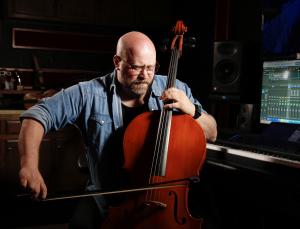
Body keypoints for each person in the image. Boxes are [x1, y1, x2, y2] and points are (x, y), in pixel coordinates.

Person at [18, 31, 217, 228]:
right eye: (136, 68)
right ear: (117, 62)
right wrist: (30, 166)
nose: (145, 76)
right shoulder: (88, 93)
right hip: (108, 200)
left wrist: (191, 110)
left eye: (150, 67)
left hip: (166, 201)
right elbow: (37, 115)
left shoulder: (175, 88)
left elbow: (212, 133)